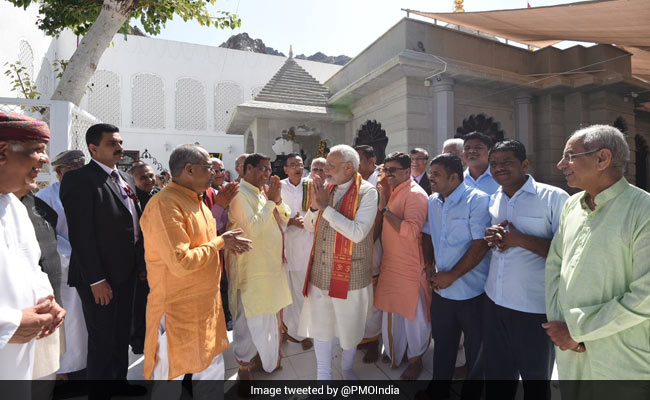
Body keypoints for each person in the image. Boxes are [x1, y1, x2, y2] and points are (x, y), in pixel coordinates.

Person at [140, 144, 251, 398]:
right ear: (189, 170)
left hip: (205, 305)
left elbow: (204, 244)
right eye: (208, 168)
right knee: (170, 376)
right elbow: (181, 262)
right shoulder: (165, 205)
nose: (213, 173)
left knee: (210, 368)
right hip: (176, 309)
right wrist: (221, 242)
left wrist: (225, 242)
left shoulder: (197, 201)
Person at [546, 125, 650, 384]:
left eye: (570, 155)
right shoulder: (572, 205)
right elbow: (554, 267)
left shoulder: (643, 210)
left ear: (602, 158)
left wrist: (580, 331)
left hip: (621, 358)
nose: (561, 164)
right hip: (570, 353)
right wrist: (561, 327)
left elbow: (645, 295)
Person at [60, 123, 145, 398]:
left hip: (126, 272)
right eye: (112, 143)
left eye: (120, 142)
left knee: (121, 335)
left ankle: (119, 384)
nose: (119, 148)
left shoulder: (124, 178)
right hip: (99, 278)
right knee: (102, 340)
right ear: (94, 148)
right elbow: (82, 235)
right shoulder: (79, 180)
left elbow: (132, 225)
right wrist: (97, 280)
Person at [482, 141, 568, 400]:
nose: (499, 168)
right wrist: (494, 237)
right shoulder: (495, 198)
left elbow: (568, 253)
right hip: (495, 301)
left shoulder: (553, 197)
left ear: (525, 164)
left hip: (533, 308)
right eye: (494, 164)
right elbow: (501, 241)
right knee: (498, 375)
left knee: (535, 380)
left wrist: (519, 239)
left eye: (506, 162)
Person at [299, 144, 378, 380]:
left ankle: (345, 369)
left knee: (349, 328)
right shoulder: (327, 189)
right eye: (325, 166)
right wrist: (314, 206)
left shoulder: (368, 192)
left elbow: (357, 232)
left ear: (348, 167)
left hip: (350, 276)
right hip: (321, 273)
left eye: (331, 166)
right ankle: (323, 377)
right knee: (322, 328)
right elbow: (308, 225)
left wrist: (325, 207)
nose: (326, 170)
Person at [420, 153, 491, 400]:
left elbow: (480, 244)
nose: (431, 178)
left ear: (454, 177)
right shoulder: (432, 201)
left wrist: (452, 275)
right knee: (443, 345)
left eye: (436, 174)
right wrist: (429, 262)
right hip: (442, 290)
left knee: (475, 351)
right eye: (431, 174)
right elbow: (427, 233)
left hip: (473, 292)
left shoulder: (477, 200)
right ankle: (438, 390)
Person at [0, 112, 65, 382]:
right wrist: (8, 322)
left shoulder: (13, 207)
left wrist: (46, 302)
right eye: (37, 150)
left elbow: (30, 266)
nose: (46, 159)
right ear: (3, 151)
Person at [227, 153, 292, 380]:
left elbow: (285, 217)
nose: (267, 173)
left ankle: (266, 359)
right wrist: (272, 201)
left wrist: (277, 200)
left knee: (269, 315)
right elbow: (253, 228)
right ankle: (244, 368)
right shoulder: (239, 195)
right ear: (247, 170)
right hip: (251, 270)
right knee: (248, 319)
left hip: (270, 268)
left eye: (268, 169)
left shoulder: (262, 193)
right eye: (262, 169)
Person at [374, 152, 430, 380]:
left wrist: (385, 209)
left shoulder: (415, 194)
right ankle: (397, 352)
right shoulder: (395, 190)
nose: (388, 174)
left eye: (393, 170)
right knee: (392, 311)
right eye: (386, 170)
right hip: (391, 263)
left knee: (412, 315)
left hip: (409, 266)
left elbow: (410, 231)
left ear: (408, 171)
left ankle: (416, 359)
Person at [36, 150, 87, 378]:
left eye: (81, 167)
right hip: (65, 271)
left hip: (93, 271)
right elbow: (49, 239)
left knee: (86, 324)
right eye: (73, 169)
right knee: (70, 322)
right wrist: (78, 255)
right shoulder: (46, 198)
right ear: (59, 172)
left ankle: (85, 368)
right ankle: (64, 372)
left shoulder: (91, 192)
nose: (79, 173)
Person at [280, 153, 314, 351]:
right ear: (285, 169)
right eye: (292, 165)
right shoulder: (279, 187)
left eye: (300, 165)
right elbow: (273, 214)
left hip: (306, 245)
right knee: (285, 292)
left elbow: (319, 212)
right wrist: (289, 222)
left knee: (303, 292)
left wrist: (307, 222)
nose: (297, 168)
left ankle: (304, 333)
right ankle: (285, 329)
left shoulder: (310, 186)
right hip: (284, 245)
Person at [354, 145, 383, 363]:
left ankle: (373, 341)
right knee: (357, 294)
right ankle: (359, 337)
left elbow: (379, 217)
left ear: (371, 160)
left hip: (372, 244)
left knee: (372, 295)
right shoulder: (352, 180)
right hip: (353, 244)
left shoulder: (379, 181)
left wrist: (367, 244)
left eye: (358, 159)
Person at [127, 162, 159, 355]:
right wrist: (142, 266)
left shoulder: (159, 196)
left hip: (159, 260)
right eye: (143, 178)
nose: (148, 180)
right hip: (141, 262)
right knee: (140, 307)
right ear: (134, 180)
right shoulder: (132, 201)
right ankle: (139, 343)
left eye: (150, 176)